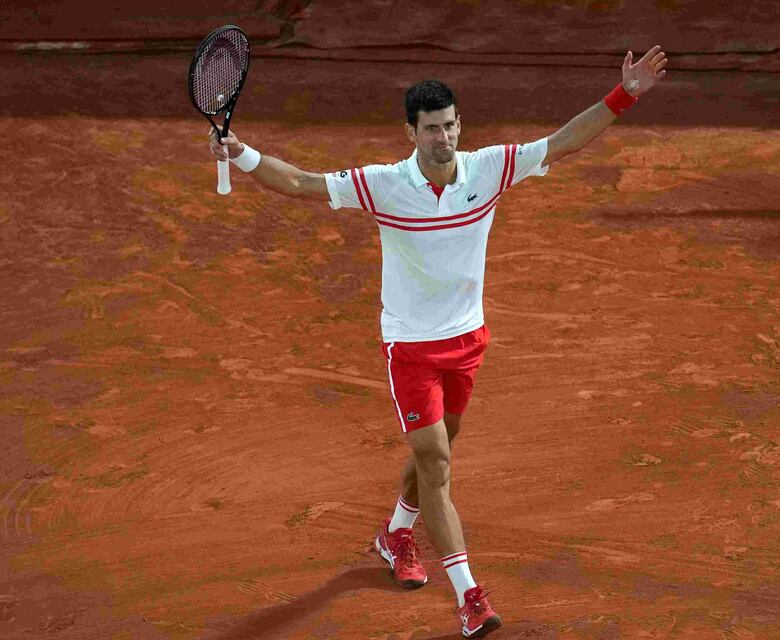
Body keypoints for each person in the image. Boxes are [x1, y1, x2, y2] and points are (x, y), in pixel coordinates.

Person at [208, 46, 668, 638]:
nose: (444, 137)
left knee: (436, 455)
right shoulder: (384, 186)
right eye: (431, 129)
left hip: (467, 340)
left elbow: (565, 141)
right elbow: (299, 182)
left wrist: (625, 92)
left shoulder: (488, 169)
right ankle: (470, 596)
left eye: (451, 125)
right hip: (411, 347)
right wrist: (241, 153)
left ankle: (396, 533)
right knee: (438, 463)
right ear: (411, 133)